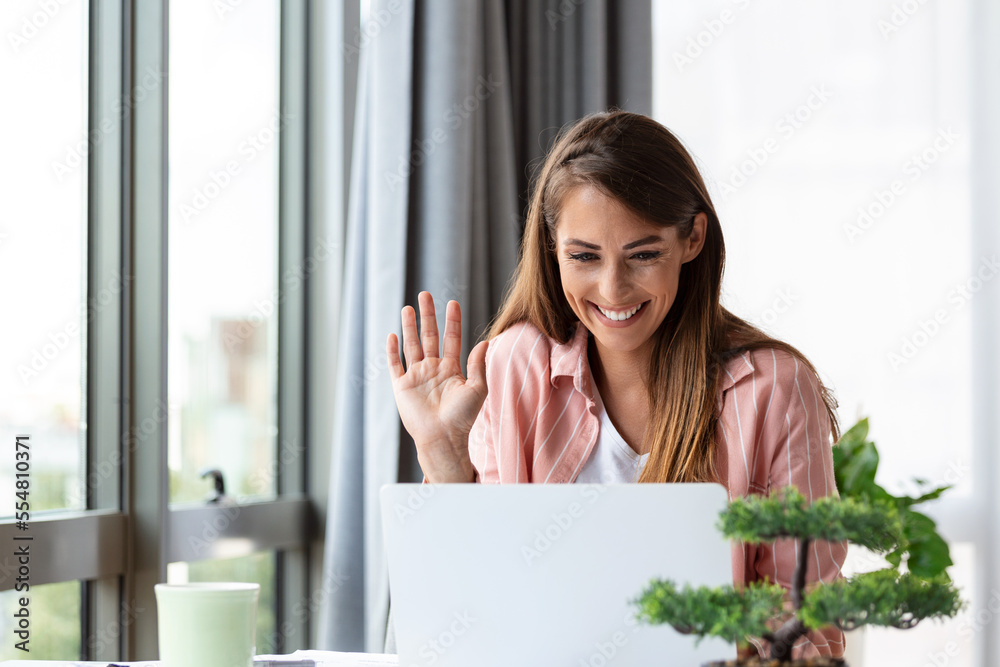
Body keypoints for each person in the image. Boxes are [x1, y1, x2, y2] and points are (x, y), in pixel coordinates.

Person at [386, 110, 846, 660]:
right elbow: (468, 617)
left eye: (643, 254)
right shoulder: (515, 367)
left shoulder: (773, 388)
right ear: (553, 247)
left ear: (693, 238)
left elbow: (813, 626)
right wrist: (442, 453)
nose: (612, 289)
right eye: (583, 256)